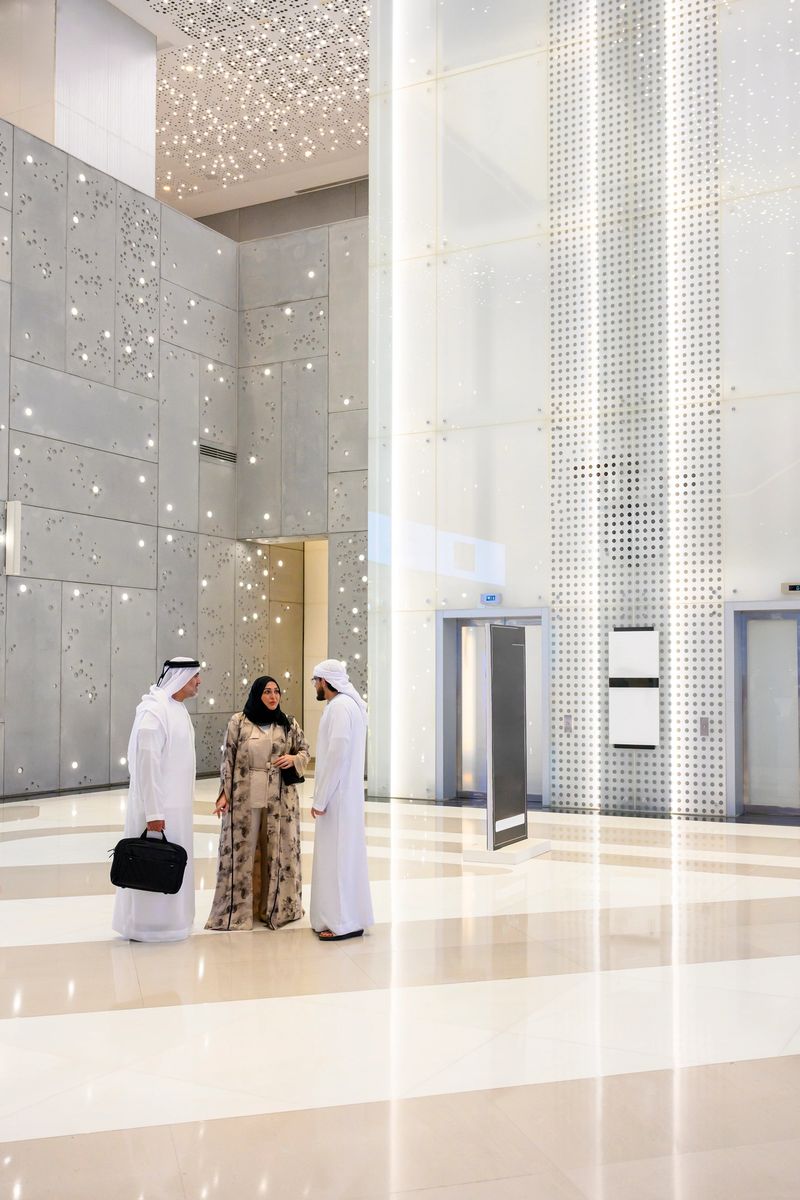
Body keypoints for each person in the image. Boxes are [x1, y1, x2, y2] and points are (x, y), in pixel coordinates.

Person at [206, 676, 310, 931]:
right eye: (267, 692)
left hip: (280, 800)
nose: (273, 697)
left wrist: (293, 759)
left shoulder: (288, 724)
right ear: (257, 694)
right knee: (244, 849)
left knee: (276, 849)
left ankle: (275, 907)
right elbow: (227, 760)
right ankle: (239, 910)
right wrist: (223, 795)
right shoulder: (239, 722)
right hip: (246, 796)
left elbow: (305, 751)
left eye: (277, 692)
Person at [112, 656, 200, 942]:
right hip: (158, 808)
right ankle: (146, 926)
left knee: (171, 863)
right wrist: (153, 813)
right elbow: (146, 766)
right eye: (194, 677)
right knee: (151, 862)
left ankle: (173, 923)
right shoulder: (154, 712)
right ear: (179, 677)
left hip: (177, 808)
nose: (198, 682)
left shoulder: (176, 709)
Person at [309, 659, 373, 941]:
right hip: (345, 797)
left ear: (325, 682)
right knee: (344, 857)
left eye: (316, 681)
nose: (315, 686)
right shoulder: (348, 706)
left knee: (337, 860)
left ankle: (340, 922)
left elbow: (337, 754)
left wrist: (321, 798)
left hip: (337, 797)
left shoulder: (339, 708)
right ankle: (345, 917)